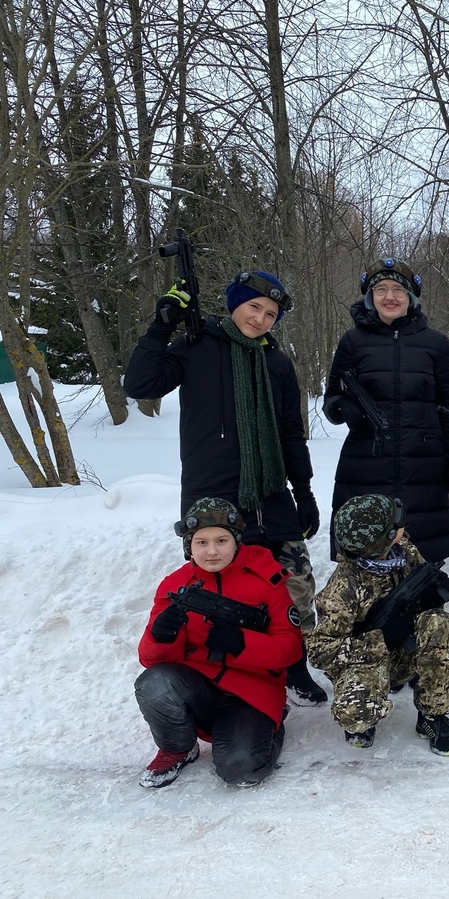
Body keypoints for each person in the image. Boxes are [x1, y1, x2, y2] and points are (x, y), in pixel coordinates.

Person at [125, 269, 328, 708]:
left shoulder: (277, 362)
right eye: (253, 307)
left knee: (293, 585)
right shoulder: (197, 346)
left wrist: (305, 492)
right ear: (234, 303)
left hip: (272, 495)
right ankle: (218, 674)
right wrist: (162, 326)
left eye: (270, 313)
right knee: (213, 591)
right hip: (212, 496)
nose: (260, 319)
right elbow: (139, 384)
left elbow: (292, 433)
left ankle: (294, 667)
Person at [135, 498, 302, 788]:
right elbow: (151, 662)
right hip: (199, 686)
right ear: (189, 545)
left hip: (252, 692)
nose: (211, 551)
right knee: (154, 683)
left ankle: (270, 727)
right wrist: (160, 636)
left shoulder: (267, 580)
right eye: (201, 542)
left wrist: (243, 644)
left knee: (241, 771)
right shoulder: (175, 585)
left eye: (221, 540)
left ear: (237, 541)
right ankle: (178, 748)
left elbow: (291, 649)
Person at [323, 257, 449, 563]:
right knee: (366, 576)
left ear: (410, 297)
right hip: (365, 468)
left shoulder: (436, 343)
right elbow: (332, 400)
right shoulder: (352, 342)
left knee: (425, 576)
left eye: (398, 289)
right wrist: (347, 409)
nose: (390, 296)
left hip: (424, 470)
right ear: (370, 297)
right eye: (381, 289)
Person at [309, 494, 449, 754]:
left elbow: (422, 606)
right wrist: (381, 640)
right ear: (386, 536)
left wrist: (431, 598)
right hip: (363, 664)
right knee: (356, 713)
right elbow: (320, 652)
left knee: (440, 624)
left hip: (405, 651)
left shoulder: (404, 550)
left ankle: (431, 715)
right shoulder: (342, 589)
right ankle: (363, 718)